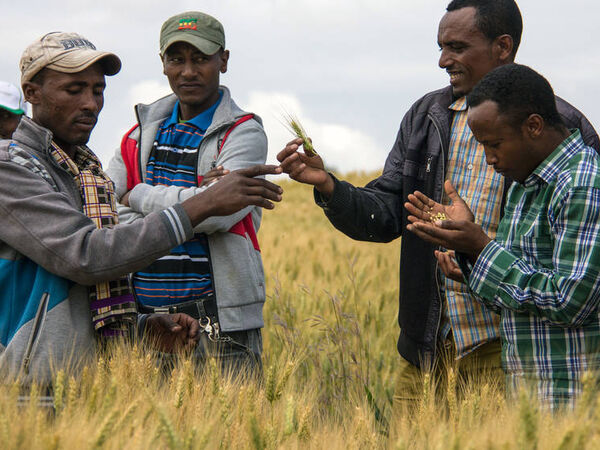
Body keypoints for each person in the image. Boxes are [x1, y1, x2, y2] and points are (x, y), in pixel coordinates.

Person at [277, 0, 599, 411]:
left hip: (511, 349)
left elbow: (575, 270)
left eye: (458, 47)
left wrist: (477, 252)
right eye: (441, 46)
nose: (444, 60)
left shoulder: (559, 129)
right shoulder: (426, 117)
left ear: (503, 47)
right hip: (428, 346)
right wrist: (328, 186)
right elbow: (389, 213)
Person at [0, 31, 283, 386]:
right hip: (25, 387)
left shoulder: (84, 171)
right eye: (74, 90)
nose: (90, 104)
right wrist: (200, 203)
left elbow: (84, 282)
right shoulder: (11, 168)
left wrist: (138, 329)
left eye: (98, 90)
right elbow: (87, 255)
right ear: (31, 93)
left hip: (79, 385)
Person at [405, 63, 600, 410]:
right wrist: (470, 261)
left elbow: (572, 301)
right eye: (482, 146)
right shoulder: (525, 186)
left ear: (534, 126)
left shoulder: (582, 184)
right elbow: (516, 303)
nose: (489, 159)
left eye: (494, 144)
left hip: (572, 399)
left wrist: (482, 247)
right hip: (527, 397)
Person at [106, 12, 269, 372]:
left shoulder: (243, 133)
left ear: (223, 60)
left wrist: (137, 195)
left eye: (201, 59)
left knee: (231, 429)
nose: (188, 72)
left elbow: (221, 213)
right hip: (148, 323)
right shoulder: (136, 138)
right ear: (162, 63)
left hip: (219, 322)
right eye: (176, 59)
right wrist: (197, 196)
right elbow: (107, 213)